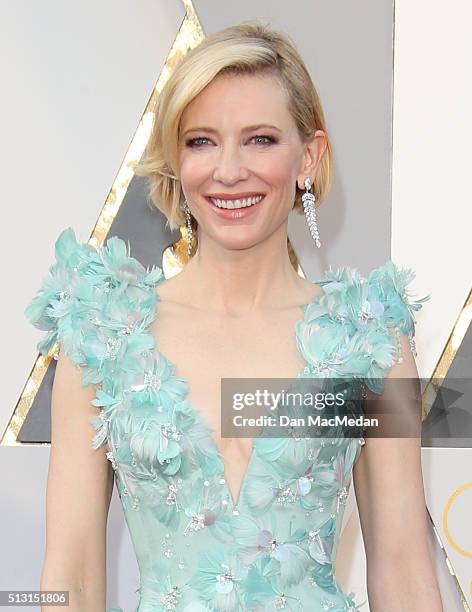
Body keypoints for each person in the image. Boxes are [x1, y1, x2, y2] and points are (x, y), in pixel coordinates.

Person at [25, 21, 442, 612]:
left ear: (310, 156)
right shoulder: (104, 336)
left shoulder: (369, 343)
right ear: (176, 158)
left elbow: (404, 574)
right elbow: (71, 577)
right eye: (201, 141)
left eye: (261, 139)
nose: (228, 171)